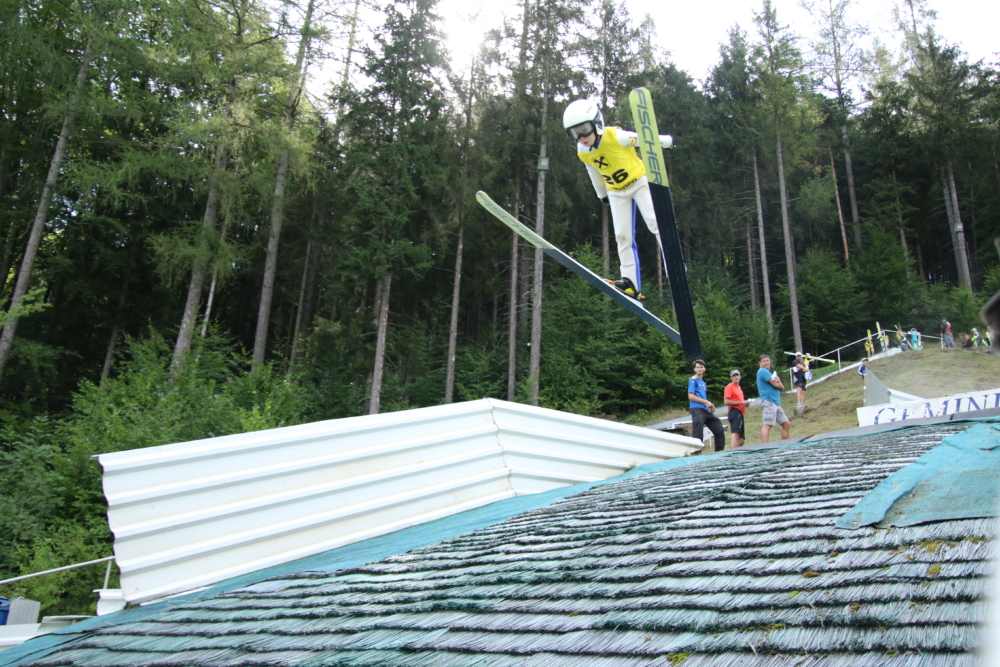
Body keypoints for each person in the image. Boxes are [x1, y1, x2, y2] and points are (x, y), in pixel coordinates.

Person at [563, 99, 674, 301]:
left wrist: (666, 141)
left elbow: (644, 140)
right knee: (622, 236)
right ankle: (630, 283)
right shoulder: (583, 151)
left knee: (655, 222)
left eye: (584, 130)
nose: (581, 137)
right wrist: (602, 195)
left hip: (639, 182)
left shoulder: (616, 136)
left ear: (596, 123)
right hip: (615, 191)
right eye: (574, 133)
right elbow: (593, 172)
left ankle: (673, 265)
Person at [688, 359, 725, 452]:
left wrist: (709, 406)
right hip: (696, 408)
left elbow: (702, 397)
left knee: (718, 428)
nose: (699, 369)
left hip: (704, 409)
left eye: (701, 367)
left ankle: (719, 452)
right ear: (694, 369)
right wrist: (706, 401)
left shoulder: (703, 382)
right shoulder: (693, 380)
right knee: (698, 433)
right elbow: (691, 396)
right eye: (697, 367)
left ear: (704, 369)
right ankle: (695, 454)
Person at [756, 354, 790, 442]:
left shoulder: (769, 373)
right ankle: (764, 447)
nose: (766, 362)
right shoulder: (762, 371)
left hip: (775, 403)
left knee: (786, 423)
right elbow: (776, 385)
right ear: (760, 363)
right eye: (764, 361)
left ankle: (785, 444)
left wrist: (779, 382)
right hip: (769, 401)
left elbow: (782, 388)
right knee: (767, 425)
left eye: (768, 360)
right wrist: (778, 383)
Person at [724, 369, 751, 449]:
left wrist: (745, 404)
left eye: (737, 375)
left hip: (740, 412)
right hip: (734, 412)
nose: (736, 377)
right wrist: (741, 402)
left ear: (740, 376)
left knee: (741, 439)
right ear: (731, 378)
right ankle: (733, 453)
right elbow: (726, 401)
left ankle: (736, 450)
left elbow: (739, 401)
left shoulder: (738, 387)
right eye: (734, 376)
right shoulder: (729, 387)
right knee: (735, 434)